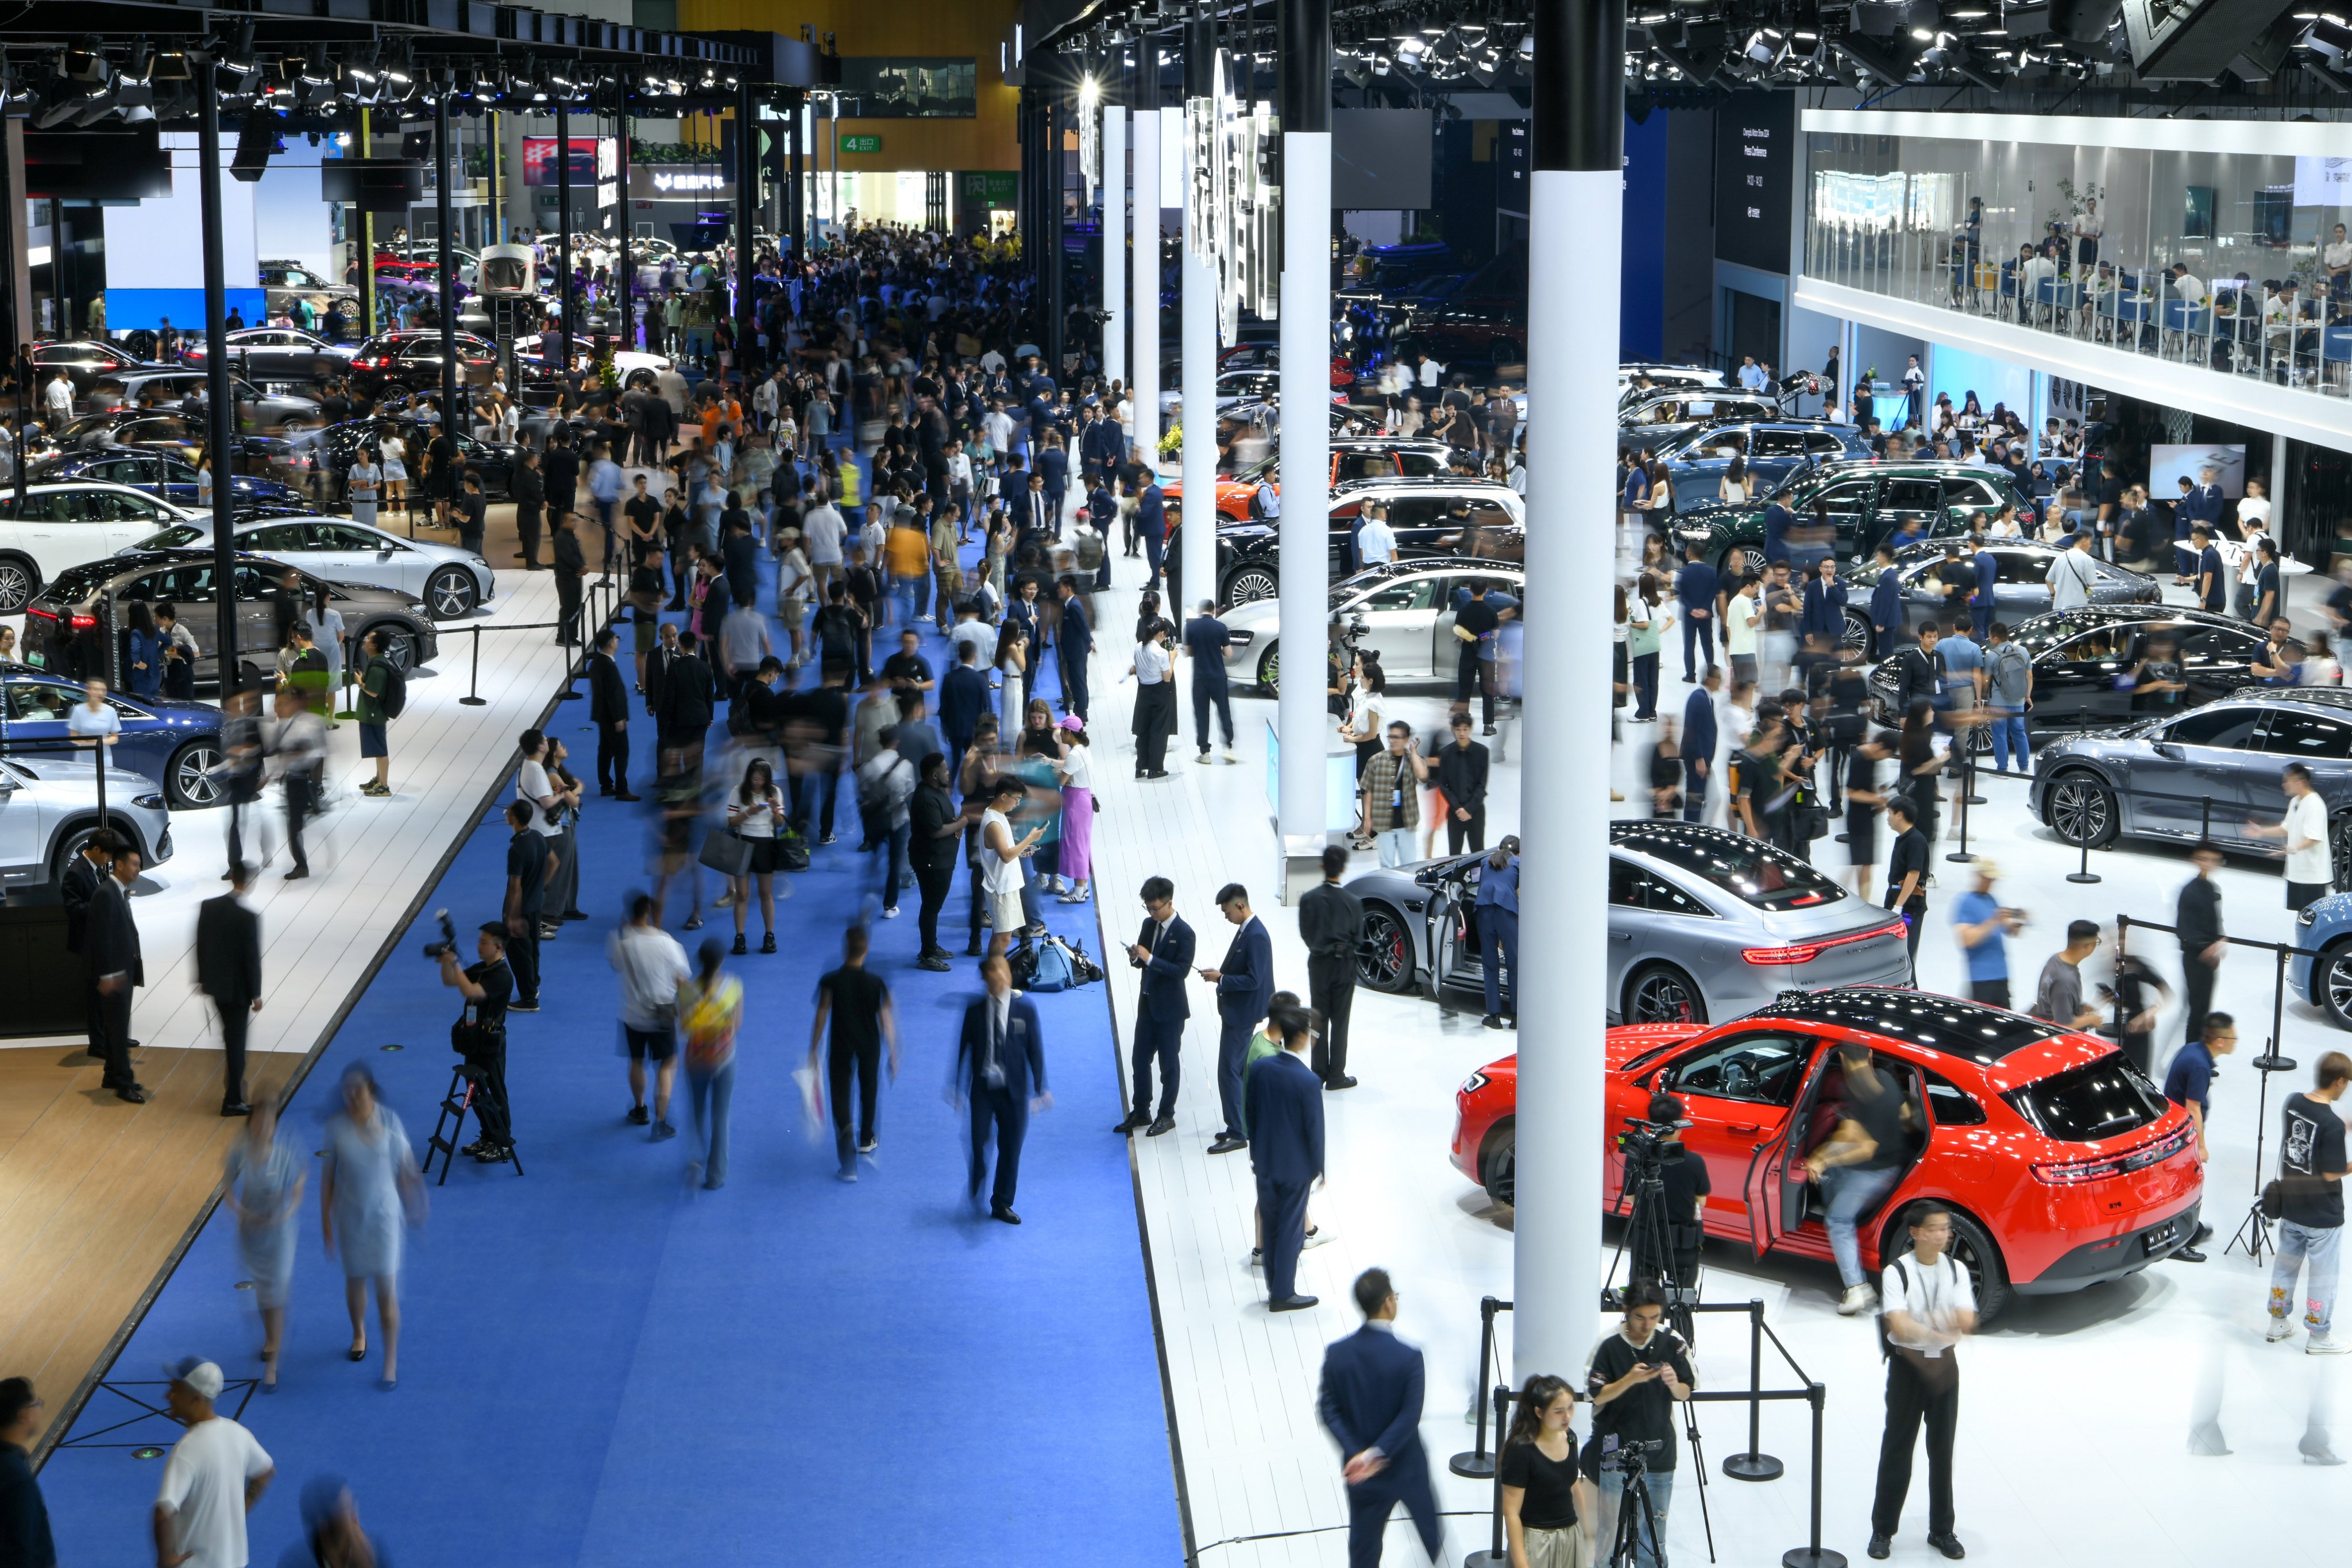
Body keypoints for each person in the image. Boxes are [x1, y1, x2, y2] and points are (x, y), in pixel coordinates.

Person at [1867, 1206, 1976, 1562]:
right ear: (1916, 1232)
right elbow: (1898, 1324)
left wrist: (1931, 1326)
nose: (1944, 1235)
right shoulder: (1896, 1272)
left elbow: (1966, 1318)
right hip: (1908, 1368)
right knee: (1898, 1447)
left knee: (1942, 1449)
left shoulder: (1956, 1269)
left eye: (1946, 1229)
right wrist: (1935, 1327)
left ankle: (1942, 1529)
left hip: (1944, 1365)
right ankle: (1883, 1529)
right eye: (1936, 1229)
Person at [1319, 1268, 1443, 1566]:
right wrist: (1378, 1453)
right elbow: (1409, 1416)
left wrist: (1358, 1455)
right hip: (1406, 1467)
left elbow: (1328, 1409)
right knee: (1430, 1534)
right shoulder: (1409, 1357)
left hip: (1360, 1474)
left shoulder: (1338, 1353)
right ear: (1389, 1302)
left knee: (1364, 1550)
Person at [320, 1065, 420, 1389]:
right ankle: (359, 1332)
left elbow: (407, 1167)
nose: (351, 1096)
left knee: (386, 1291)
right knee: (356, 1280)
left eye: (358, 1090)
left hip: (385, 1219)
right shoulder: (336, 1127)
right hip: (351, 1218)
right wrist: (326, 1224)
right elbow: (327, 1179)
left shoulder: (389, 1120)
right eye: (347, 1091)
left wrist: (417, 1200)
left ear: (370, 1091)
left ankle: (390, 1360)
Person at [1584, 1286, 1696, 1568]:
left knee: (1655, 1534)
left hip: (1659, 1450)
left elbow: (1686, 1392)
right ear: (1626, 1312)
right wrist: (1629, 1380)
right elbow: (1596, 1395)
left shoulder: (1673, 1342)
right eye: (1640, 1317)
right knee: (1610, 1535)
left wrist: (1673, 1383)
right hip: (1614, 1449)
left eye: (1654, 1317)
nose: (1647, 1325)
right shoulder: (1608, 1344)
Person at [1805, 1040, 1911, 1314]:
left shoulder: (1853, 1090)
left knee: (1838, 1219)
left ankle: (1857, 1288)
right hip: (1896, 1165)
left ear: (1842, 1057)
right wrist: (1825, 1156)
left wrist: (1823, 1158)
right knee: (1831, 1172)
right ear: (1871, 1055)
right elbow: (1905, 1114)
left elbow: (1864, 1148)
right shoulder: (1886, 1078)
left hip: (1873, 1172)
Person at [952, 953, 1050, 1223]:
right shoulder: (974, 1011)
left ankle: (1002, 1203)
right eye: (995, 978)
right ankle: (979, 1170)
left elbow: (1035, 1049)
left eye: (1005, 974)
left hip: (1015, 1092)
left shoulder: (1026, 1010)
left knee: (1011, 1149)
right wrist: (957, 1086)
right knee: (978, 1139)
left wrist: (1041, 1088)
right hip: (983, 1089)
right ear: (986, 981)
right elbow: (963, 1048)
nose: (1003, 981)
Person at [152, 1358, 273, 1568]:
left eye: (175, 1390)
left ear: (196, 1398)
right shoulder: (238, 1433)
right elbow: (265, 1471)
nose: (167, 1396)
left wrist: (166, 1558)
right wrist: (239, 1512)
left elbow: (163, 1513)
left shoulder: (187, 1450)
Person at [2268, 1052, 2349, 1355]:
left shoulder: (2292, 1102)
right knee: (2323, 1275)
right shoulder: (2332, 1124)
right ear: (2339, 1081)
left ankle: (2278, 1320)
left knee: (2286, 1265)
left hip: (2292, 1206)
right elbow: (2331, 1171)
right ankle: (2318, 1335)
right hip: (2323, 1216)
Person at [1245, 1003, 1325, 1310]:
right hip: (1295, 1169)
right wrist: (1319, 1168)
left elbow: (1250, 1113)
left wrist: (1256, 1153)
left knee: (1272, 1222)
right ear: (1303, 1038)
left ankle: (1274, 1286)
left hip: (1265, 1161)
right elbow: (1314, 1130)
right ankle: (1283, 1294)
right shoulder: (1308, 1081)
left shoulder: (1262, 1067)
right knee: (1291, 1229)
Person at [222, 1100, 303, 1391]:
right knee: (262, 1292)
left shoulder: (282, 1155)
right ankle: (271, 1337)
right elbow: (227, 1188)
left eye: (269, 1123)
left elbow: (298, 1184)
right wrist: (243, 1213)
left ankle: (273, 1366)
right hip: (251, 1233)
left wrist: (286, 1212)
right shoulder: (239, 1153)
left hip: (279, 1234)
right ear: (250, 1124)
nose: (264, 1127)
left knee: (275, 1293)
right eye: (259, 1122)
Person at [810, 924, 898, 1182]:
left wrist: (813, 1050)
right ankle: (867, 1139)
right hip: (870, 1045)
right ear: (866, 950)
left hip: (841, 1045)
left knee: (841, 1095)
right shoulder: (877, 983)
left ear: (844, 949)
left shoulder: (830, 981)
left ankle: (847, 1161)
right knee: (869, 1090)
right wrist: (893, 1051)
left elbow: (820, 1017)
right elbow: (886, 1020)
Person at [1118, 876, 1195, 1138]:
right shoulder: (1148, 925)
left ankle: (1166, 1115)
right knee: (1139, 1060)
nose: (1152, 913)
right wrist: (1136, 957)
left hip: (1171, 1011)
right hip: (1148, 1005)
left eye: (1155, 908)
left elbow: (1181, 971)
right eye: (1148, 908)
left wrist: (1150, 958)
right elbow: (1143, 961)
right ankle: (1141, 1111)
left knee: (1168, 1065)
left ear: (1169, 903)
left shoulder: (1185, 933)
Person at [1202, 883, 1276, 1155]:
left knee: (1229, 1071)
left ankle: (1237, 1132)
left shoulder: (1255, 936)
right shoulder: (1248, 930)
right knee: (1240, 1070)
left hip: (1243, 1013)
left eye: (1227, 912)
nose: (1226, 917)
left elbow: (1254, 979)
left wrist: (1221, 978)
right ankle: (1242, 1123)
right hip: (1241, 1010)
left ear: (1240, 906)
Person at [610, 892, 691, 1138]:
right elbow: (682, 982)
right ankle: (661, 1122)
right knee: (666, 1066)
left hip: (632, 1015)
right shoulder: (668, 943)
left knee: (636, 1061)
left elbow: (616, 965)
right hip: (663, 1014)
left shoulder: (620, 943)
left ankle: (640, 1109)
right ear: (650, 912)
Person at [1500, 1373, 1596, 1568]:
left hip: (1570, 1535)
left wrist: (1587, 1531)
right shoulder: (1521, 1451)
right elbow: (1511, 1513)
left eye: (1570, 1408)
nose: (1567, 1416)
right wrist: (1521, 1565)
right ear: (1539, 1412)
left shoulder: (1570, 1438)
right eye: (1558, 1411)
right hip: (1536, 1541)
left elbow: (1572, 1483)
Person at [438, 922, 514, 1163]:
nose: (479, 945)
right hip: (473, 1041)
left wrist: (457, 964)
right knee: (477, 1093)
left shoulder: (502, 976)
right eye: (480, 940)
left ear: (499, 946)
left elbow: (471, 992)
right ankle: (488, 1137)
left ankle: (503, 1143)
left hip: (490, 1045)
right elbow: (451, 982)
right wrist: (447, 962)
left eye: (484, 942)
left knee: (494, 1093)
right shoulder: (484, 969)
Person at [197, 863, 265, 1116]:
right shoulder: (248, 918)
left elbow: (201, 945)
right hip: (238, 993)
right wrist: (256, 994)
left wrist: (204, 980)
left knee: (229, 1039)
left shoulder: (209, 907)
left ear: (232, 877)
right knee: (237, 1046)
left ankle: (234, 1094)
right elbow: (251, 959)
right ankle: (233, 1100)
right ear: (249, 882)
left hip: (216, 988)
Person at [678, 936, 741, 1191]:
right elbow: (736, 1026)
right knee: (721, 1117)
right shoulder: (733, 986)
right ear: (721, 961)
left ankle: (696, 1158)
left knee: (697, 1113)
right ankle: (716, 1176)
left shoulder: (686, 991)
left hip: (696, 1061)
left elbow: (684, 1028)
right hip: (724, 1058)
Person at [86, 840, 147, 1103]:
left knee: (115, 1028)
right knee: (119, 1029)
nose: (138, 870)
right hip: (114, 977)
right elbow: (100, 939)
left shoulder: (117, 892)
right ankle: (124, 1083)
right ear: (120, 864)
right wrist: (109, 976)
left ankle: (111, 1074)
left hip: (121, 973)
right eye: (134, 865)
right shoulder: (106, 893)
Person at [1299, 845, 1362, 1090]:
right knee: (1340, 1020)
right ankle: (1337, 1075)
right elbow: (1358, 938)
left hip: (1318, 964)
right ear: (1344, 868)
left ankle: (1318, 1072)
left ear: (1322, 866)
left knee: (1318, 1019)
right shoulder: (1353, 902)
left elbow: (1305, 933)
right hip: (1344, 965)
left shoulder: (1308, 899)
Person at [2249, 763, 2332, 912]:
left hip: (2312, 876)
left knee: (2312, 918)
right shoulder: (2295, 801)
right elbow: (2285, 828)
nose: (2283, 785)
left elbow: (2314, 838)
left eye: (2287, 781)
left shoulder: (2314, 805)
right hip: (2296, 873)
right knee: (2301, 917)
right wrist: (2262, 831)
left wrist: (2292, 848)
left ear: (2301, 782)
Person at [726, 757, 787, 954]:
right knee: (742, 894)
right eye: (754, 778)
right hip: (743, 843)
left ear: (768, 779)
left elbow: (779, 824)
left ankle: (770, 935)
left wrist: (774, 810)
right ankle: (739, 937)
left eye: (761, 779)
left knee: (766, 893)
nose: (757, 782)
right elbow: (731, 822)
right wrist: (749, 813)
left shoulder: (776, 792)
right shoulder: (738, 791)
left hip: (766, 845)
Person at [2165, 1011, 2237, 1173]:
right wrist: (2201, 1147)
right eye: (2233, 1039)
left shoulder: (2192, 1049)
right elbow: (2193, 1108)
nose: (2236, 1043)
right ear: (2220, 1041)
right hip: (2180, 1132)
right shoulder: (2200, 1067)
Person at [1948, 860, 2023, 1009]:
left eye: (1993, 880)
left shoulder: (1992, 900)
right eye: (1988, 879)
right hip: (1982, 978)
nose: (1990, 883)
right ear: (1978, 876)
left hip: (2001, 975)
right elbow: (1966, 940)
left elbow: (2011, 931)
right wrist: (1994, 921)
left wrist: (2018, 920)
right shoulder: (1965, 902)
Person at [1360, 722, 1431, 868]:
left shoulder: (1413, 760)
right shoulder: (1376, 761)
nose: (1393, 741)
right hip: (1383, 822)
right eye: (1391, 737)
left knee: (1409, 866)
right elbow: (1368, 790)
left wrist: (1414, 752)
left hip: (1407, 821)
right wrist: (1367, 819)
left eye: (1397, 737)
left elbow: (1423, 776)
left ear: (1406, 739)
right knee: (1386, 866)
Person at [0, 1377, 55, 1568]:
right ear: (25, 1415)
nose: (40, 1408)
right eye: (37, 1404)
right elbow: (22, 1549)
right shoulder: (16, 1477)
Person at [2177, 841, 2226, 1043]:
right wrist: (2208, 947)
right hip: (2194, 958)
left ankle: (2200, 1052)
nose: (2208, 863)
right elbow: (2183, 930)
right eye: (2203, 859)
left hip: (2209, 959)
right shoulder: (2190, 891)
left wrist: (2220, 939)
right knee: (2198, 1010)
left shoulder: (2212, 888)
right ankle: (2191, 1054)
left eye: (2212, 860)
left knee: (2204, 1010)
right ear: (2195, 859)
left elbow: (2214, 920)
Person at [1472, 837, 1521, 1030]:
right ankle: (1517, 1017)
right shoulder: (1519, 863)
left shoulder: (1486, 861)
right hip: (1506, 912)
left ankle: (1494, 1016)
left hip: (1484, 911)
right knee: (1514, 964)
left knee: (1490, 964)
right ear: (1519, 852)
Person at [1183, 599, 1237, 762]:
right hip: (1218, 677)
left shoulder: (1190, 627)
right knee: (1224, 711)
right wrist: (1217, 648)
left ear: (1200, 610)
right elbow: (1229, 654)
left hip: (1200, 677)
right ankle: (1228, 748)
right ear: (1213, 611)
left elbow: (1187, 652)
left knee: (1201, 714)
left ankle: (1205, 752)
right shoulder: (1221, 627)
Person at [2029, 920, 2105, 1035]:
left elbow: (2055, 998)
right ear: (2088, 947)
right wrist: (2091, 1019)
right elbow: (2064, 1023)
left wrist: (2080, 1007)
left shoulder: (2055, 959)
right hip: (2056, 1037)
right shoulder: (2065, 979)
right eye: (2097, 943)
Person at [1883, 798, 1930, 980]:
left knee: (1905, 957)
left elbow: (1913, 875)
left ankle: (1912, 995)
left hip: (1910, 908)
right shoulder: (1905, 839)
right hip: (1899, 903)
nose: (1888, 817)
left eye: (1890, 813)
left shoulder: (1915, 841)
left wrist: (1899, 906)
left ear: (1900, 815)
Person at [588, 627, 636, 800]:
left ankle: (606, 785)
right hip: (612, 717)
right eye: (616, 639)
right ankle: (622, 790)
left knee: (606, 750)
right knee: (622, 751)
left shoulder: (597, 662)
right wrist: (619, 718)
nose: (617, 641)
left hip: (602, 715)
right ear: (611, 643)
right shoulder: (608, 666)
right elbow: (613, 695)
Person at [1435, 713, 1490, 854]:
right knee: (1454, 854)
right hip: (1455, 812)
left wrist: (1469, 809)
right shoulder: (1446, 753)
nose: (1462, 733)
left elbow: (1482, 784)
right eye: (1458, 729)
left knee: (1478, 853)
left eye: (1465, 729)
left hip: (1476, 811)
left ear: (1471, 729)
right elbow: (1443, 784)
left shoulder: (1482, 752)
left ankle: (1478, 877)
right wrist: (1458, 808)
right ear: (1453, 729)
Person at [355, 630, 395, 797]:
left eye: (368, 639)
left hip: (374, 713)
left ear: (374, 645)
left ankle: (384, 786)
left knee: (380, 749)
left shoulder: (378, 667)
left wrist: (360, 683)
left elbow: (373, 691)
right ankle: (379, 780)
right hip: (371, 713)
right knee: (377, 749)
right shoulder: (376, 662)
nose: (365, 641)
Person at [1679, 667, 1719, 824]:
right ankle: (1691, 828)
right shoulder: (1698, 698)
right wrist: (1699, 757)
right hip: (1698, 759)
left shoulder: (1707, 698)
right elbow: (1691, 729)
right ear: (1709, 678)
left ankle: (1700, 826)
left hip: (1704, 759)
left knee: (1711, 798)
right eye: (1718, 678)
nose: (1721, 682)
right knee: (1695, 798)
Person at [553, 511, 586, 647]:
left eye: (576, 520)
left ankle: (572, 635)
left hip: (575, 575)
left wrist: (583, 566)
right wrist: (582, 567)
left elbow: (577, 554)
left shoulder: (570, 536)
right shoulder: (561, 537)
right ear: (565, 522)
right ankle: (562, 637)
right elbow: (568, 557)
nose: (575, 523)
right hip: (566, 577)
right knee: (568, 607)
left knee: (576, 607)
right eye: (573, 520)